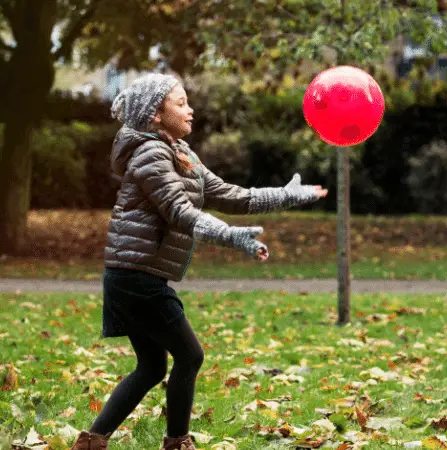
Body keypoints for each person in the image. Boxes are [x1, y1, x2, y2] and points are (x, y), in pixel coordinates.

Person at [69, 73, 328, 450]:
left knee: (153, 367)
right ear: (155, 115)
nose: (190, 109)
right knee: (189, 356)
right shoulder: (149, 154)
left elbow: (231, 195)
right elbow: (179, 210)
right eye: (180, 102)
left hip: (137, 273)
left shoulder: (181, 152)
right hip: (135, 277)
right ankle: (177, 442)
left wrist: (288, 195)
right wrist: (231, 236)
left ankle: (93, 441)